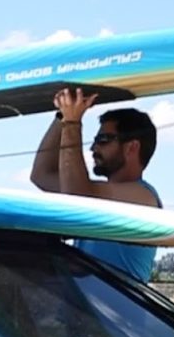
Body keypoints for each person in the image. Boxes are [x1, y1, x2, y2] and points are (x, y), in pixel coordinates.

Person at [30, 87, 161, 282]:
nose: (93, 148)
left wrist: (72, 123)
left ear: (132, 147)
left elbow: (75, 196)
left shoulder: (143, 197)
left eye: (103, 140)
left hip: (114, 313)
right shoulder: (95, 193)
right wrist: (62, 116)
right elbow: (41, 175)